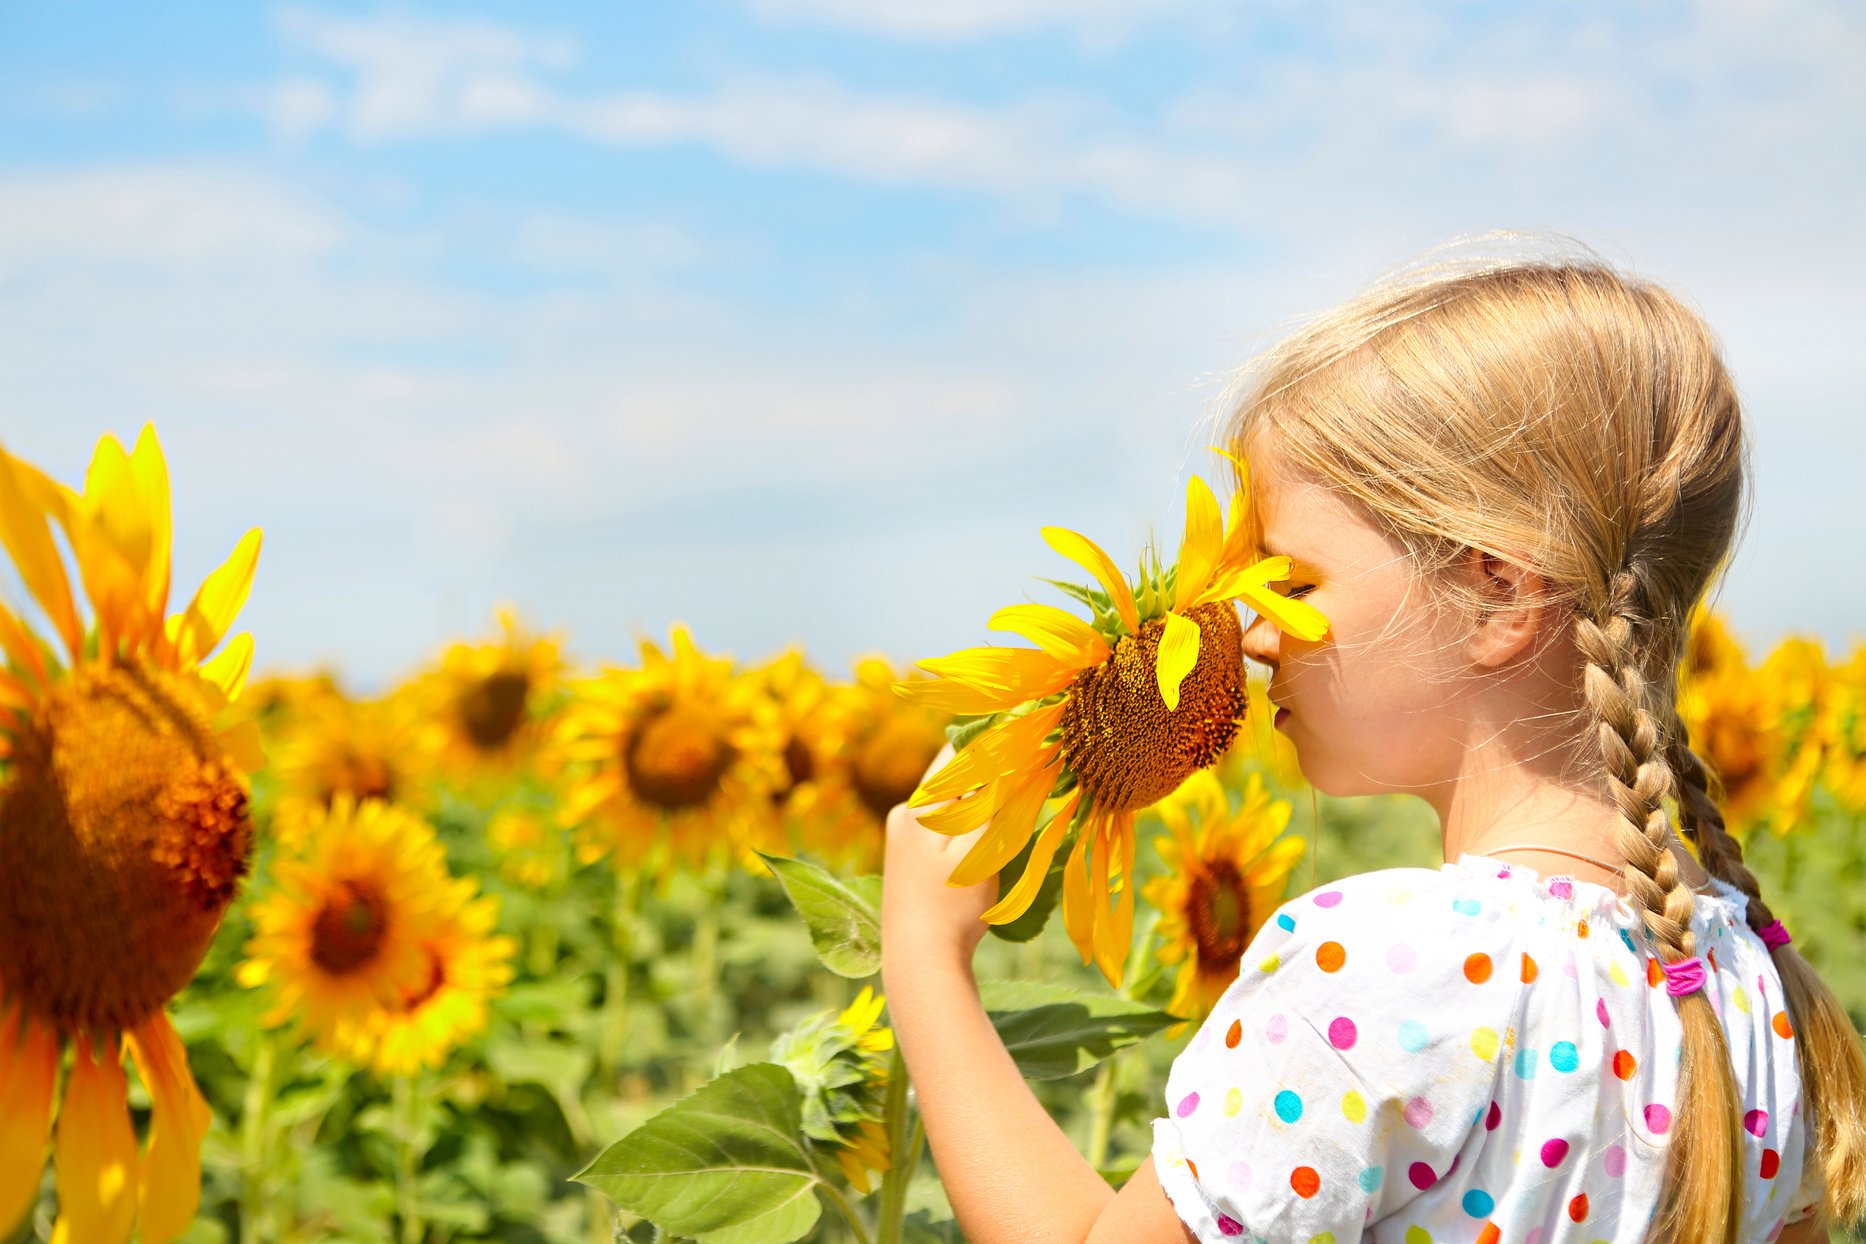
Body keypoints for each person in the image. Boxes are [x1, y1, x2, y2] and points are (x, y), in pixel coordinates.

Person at [880, 252, 1866, 1243]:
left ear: (1499, 595)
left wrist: (925, 950)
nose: (1258, 633)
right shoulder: (1748, 974)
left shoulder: (1387, 968)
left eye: (1296, 582)